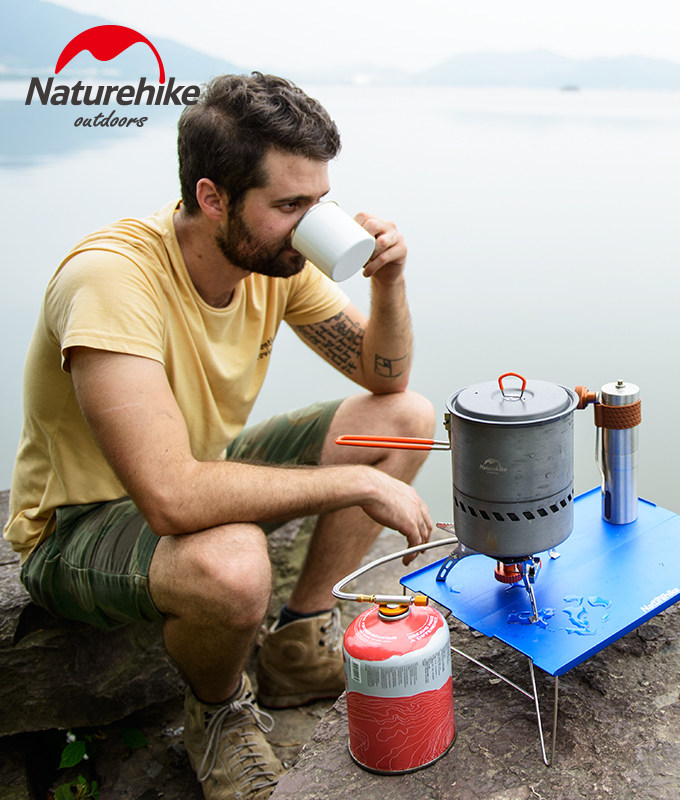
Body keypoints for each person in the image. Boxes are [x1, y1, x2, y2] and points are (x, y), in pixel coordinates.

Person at [3, 72, 436, 799]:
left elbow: (383, 379)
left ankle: (299, 641)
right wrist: (357, 482)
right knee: (234, 563)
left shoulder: (271, 258)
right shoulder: (112, 280)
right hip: (77, 527)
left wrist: (388, 282)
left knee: (406, 422)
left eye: (319, 201)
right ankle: (218, 713)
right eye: (290, 205)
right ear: (212, 198)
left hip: (200, 470)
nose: (309, 222)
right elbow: (172, 499)